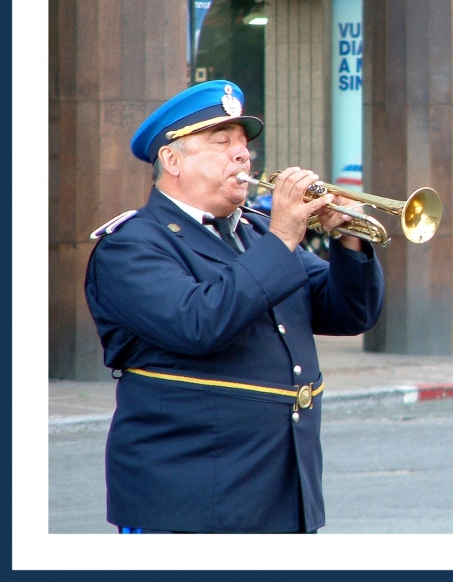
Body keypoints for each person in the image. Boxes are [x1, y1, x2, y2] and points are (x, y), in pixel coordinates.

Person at [84, 80, 385, 533]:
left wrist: (349, 238)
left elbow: (347, 314)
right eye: (221, 142)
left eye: (244, 144)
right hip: (189, 501)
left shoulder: (256, 235)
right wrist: (284, 236)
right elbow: (199, 323)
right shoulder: (131, 245)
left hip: (281, 494)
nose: (242, 154)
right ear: (172, 160)